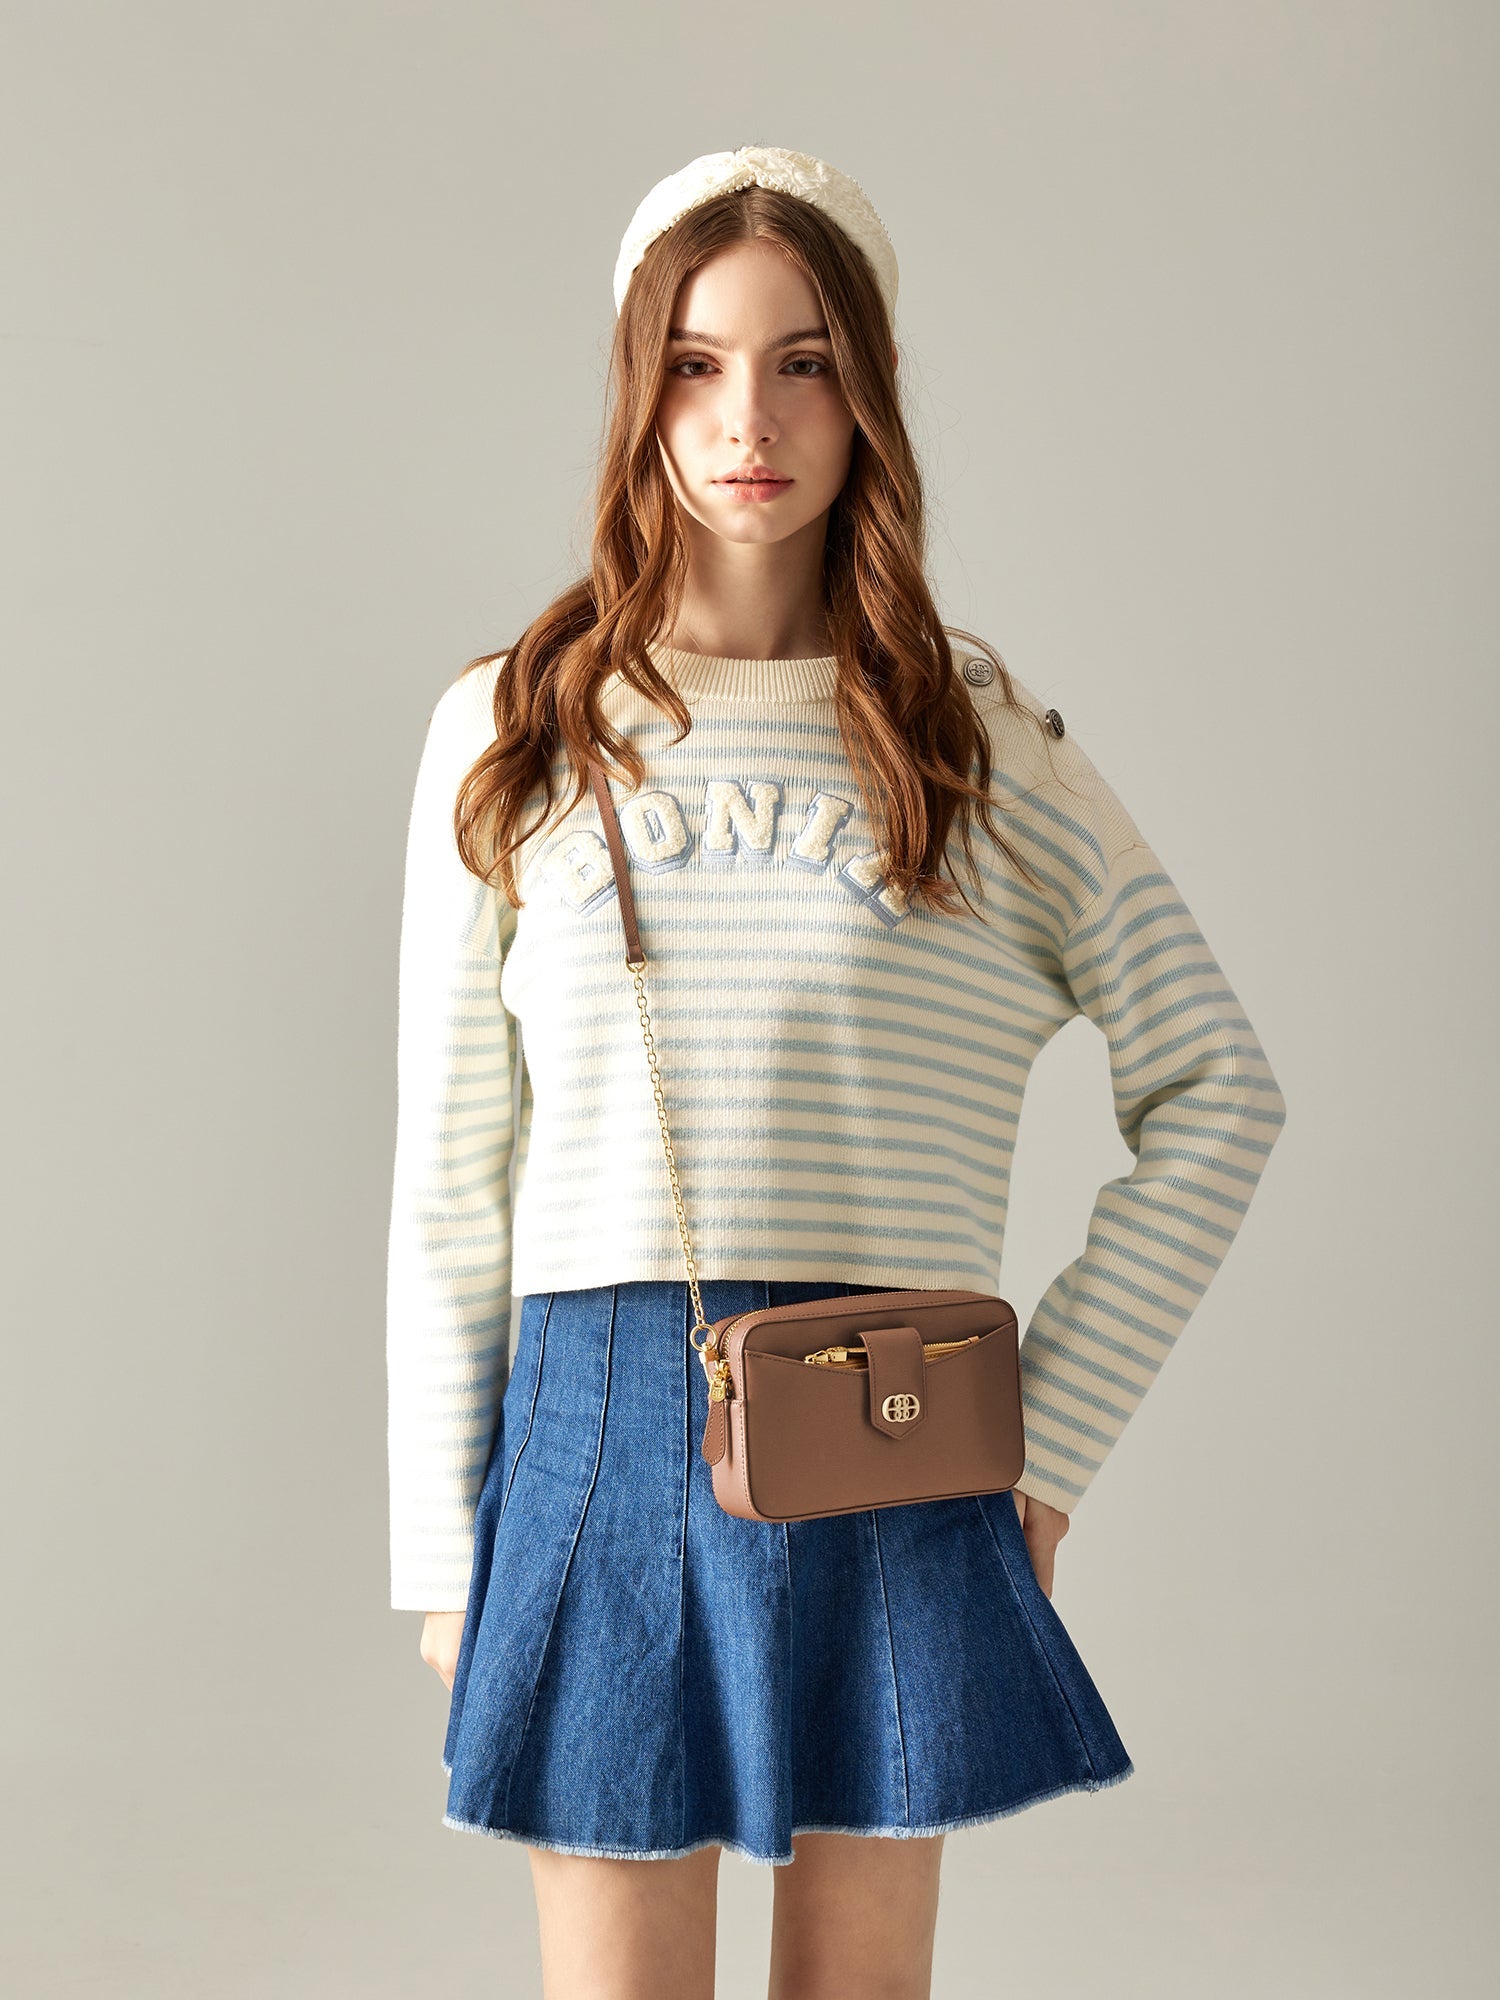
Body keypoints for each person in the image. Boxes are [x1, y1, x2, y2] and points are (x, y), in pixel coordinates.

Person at [385, 145, 1288, 2000]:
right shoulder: (514, 729)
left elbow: (1219, 1089)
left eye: (802, 362)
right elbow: (451, 1178)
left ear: (865, 387)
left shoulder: (979, 744)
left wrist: (1052, 1445)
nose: (749, 420)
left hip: (891, 1417)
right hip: (590, 1430)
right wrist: (440, 1547)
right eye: (697, 365)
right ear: (639, 393)